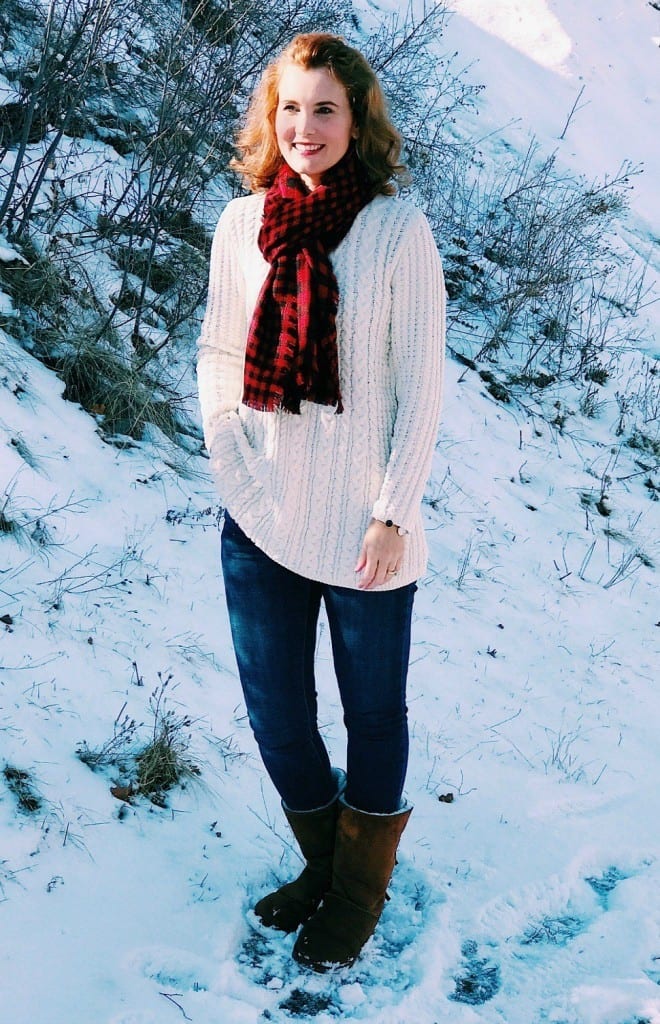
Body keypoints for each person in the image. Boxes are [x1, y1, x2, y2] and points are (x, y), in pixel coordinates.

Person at [196, 31, 445, 972]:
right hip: (260, 515)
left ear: (357, 120)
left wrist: (393, 512)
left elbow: (421, 386)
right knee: (276, 714)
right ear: (272, 116)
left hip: (365, 531)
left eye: (326, 109)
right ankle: (325, 865)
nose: (305, 127)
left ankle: (356, 894)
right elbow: (220, 360)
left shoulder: (394, 229)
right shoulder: (239, 224)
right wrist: (236, 473)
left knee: (372, 715)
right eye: (291, 108)